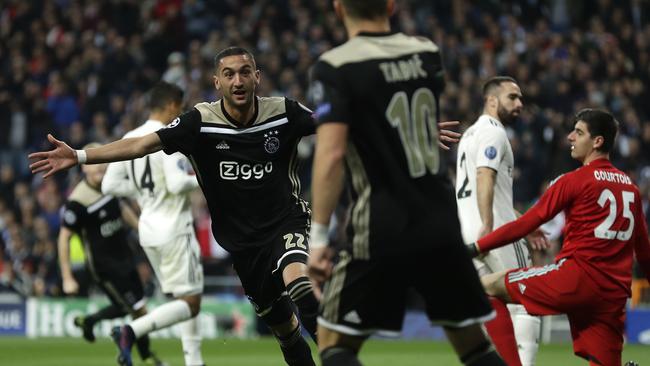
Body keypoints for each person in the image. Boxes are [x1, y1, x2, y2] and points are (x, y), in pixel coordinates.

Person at [29, 48, 320, 366]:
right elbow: (141, 145)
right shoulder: (199, 122)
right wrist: (80, 155)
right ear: (216, 83)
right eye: (229, 74)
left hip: (284, 222)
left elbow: (333, 122)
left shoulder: (283, 112)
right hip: (243, 245)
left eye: (245, 72)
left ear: (257, 77)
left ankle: (338, 356)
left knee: (301, 288)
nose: (238, 80)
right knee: (286, 331)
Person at [306, 1, 506, 365]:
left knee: (333, 340)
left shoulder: (335, 66)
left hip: (382, 222)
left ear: (337, 8)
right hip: (440, 221)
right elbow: (397, 112)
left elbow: (332, 154)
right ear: (391, 4)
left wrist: (318, 237)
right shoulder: (426, 53)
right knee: (473, 343)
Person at [467, 109, 650, 365]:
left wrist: (475, 247)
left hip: (575, 280)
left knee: (486, 286)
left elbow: (524, 225)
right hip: (612, 297)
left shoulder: (573, 181)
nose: (570, 137)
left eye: (578, 132)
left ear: (597, 141)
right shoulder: (631, 188)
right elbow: (644, 253)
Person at [100, 82, 205, 366]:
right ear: (171, 105)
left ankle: (194, 361)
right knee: (191, 302)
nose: (181, 113)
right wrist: (205, 179)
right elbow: (175, 182)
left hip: (148, 230)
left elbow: (109, 184)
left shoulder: (131, 136)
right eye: (181, 107)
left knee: (185, 299)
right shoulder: (167, 136)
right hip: (174, 228)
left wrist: (142, 192)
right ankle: (130, 331)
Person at [455, 76, 546, 366]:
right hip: (494, 232)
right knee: (525, 302)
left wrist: (526, 224)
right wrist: (488, 224)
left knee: (489, 300)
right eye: (513, 97)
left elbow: (494, 194)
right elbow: (485, 175)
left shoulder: (469, 134)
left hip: (468, 233)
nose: (519, 104)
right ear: (492, 101)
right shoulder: (494, 132)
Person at [57, 142, 165, 366]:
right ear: (84, 167)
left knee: (135, 307)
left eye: (102, 165)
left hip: (125, 258)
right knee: (138, 310)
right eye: (93, 167)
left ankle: (89, 321)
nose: (98, 169)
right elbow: (63, 238)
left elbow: (122, 210)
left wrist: (143, 232)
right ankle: (146, 358)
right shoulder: (78, 201)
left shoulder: (110, 186)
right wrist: (67, 277)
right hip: (103, 266)